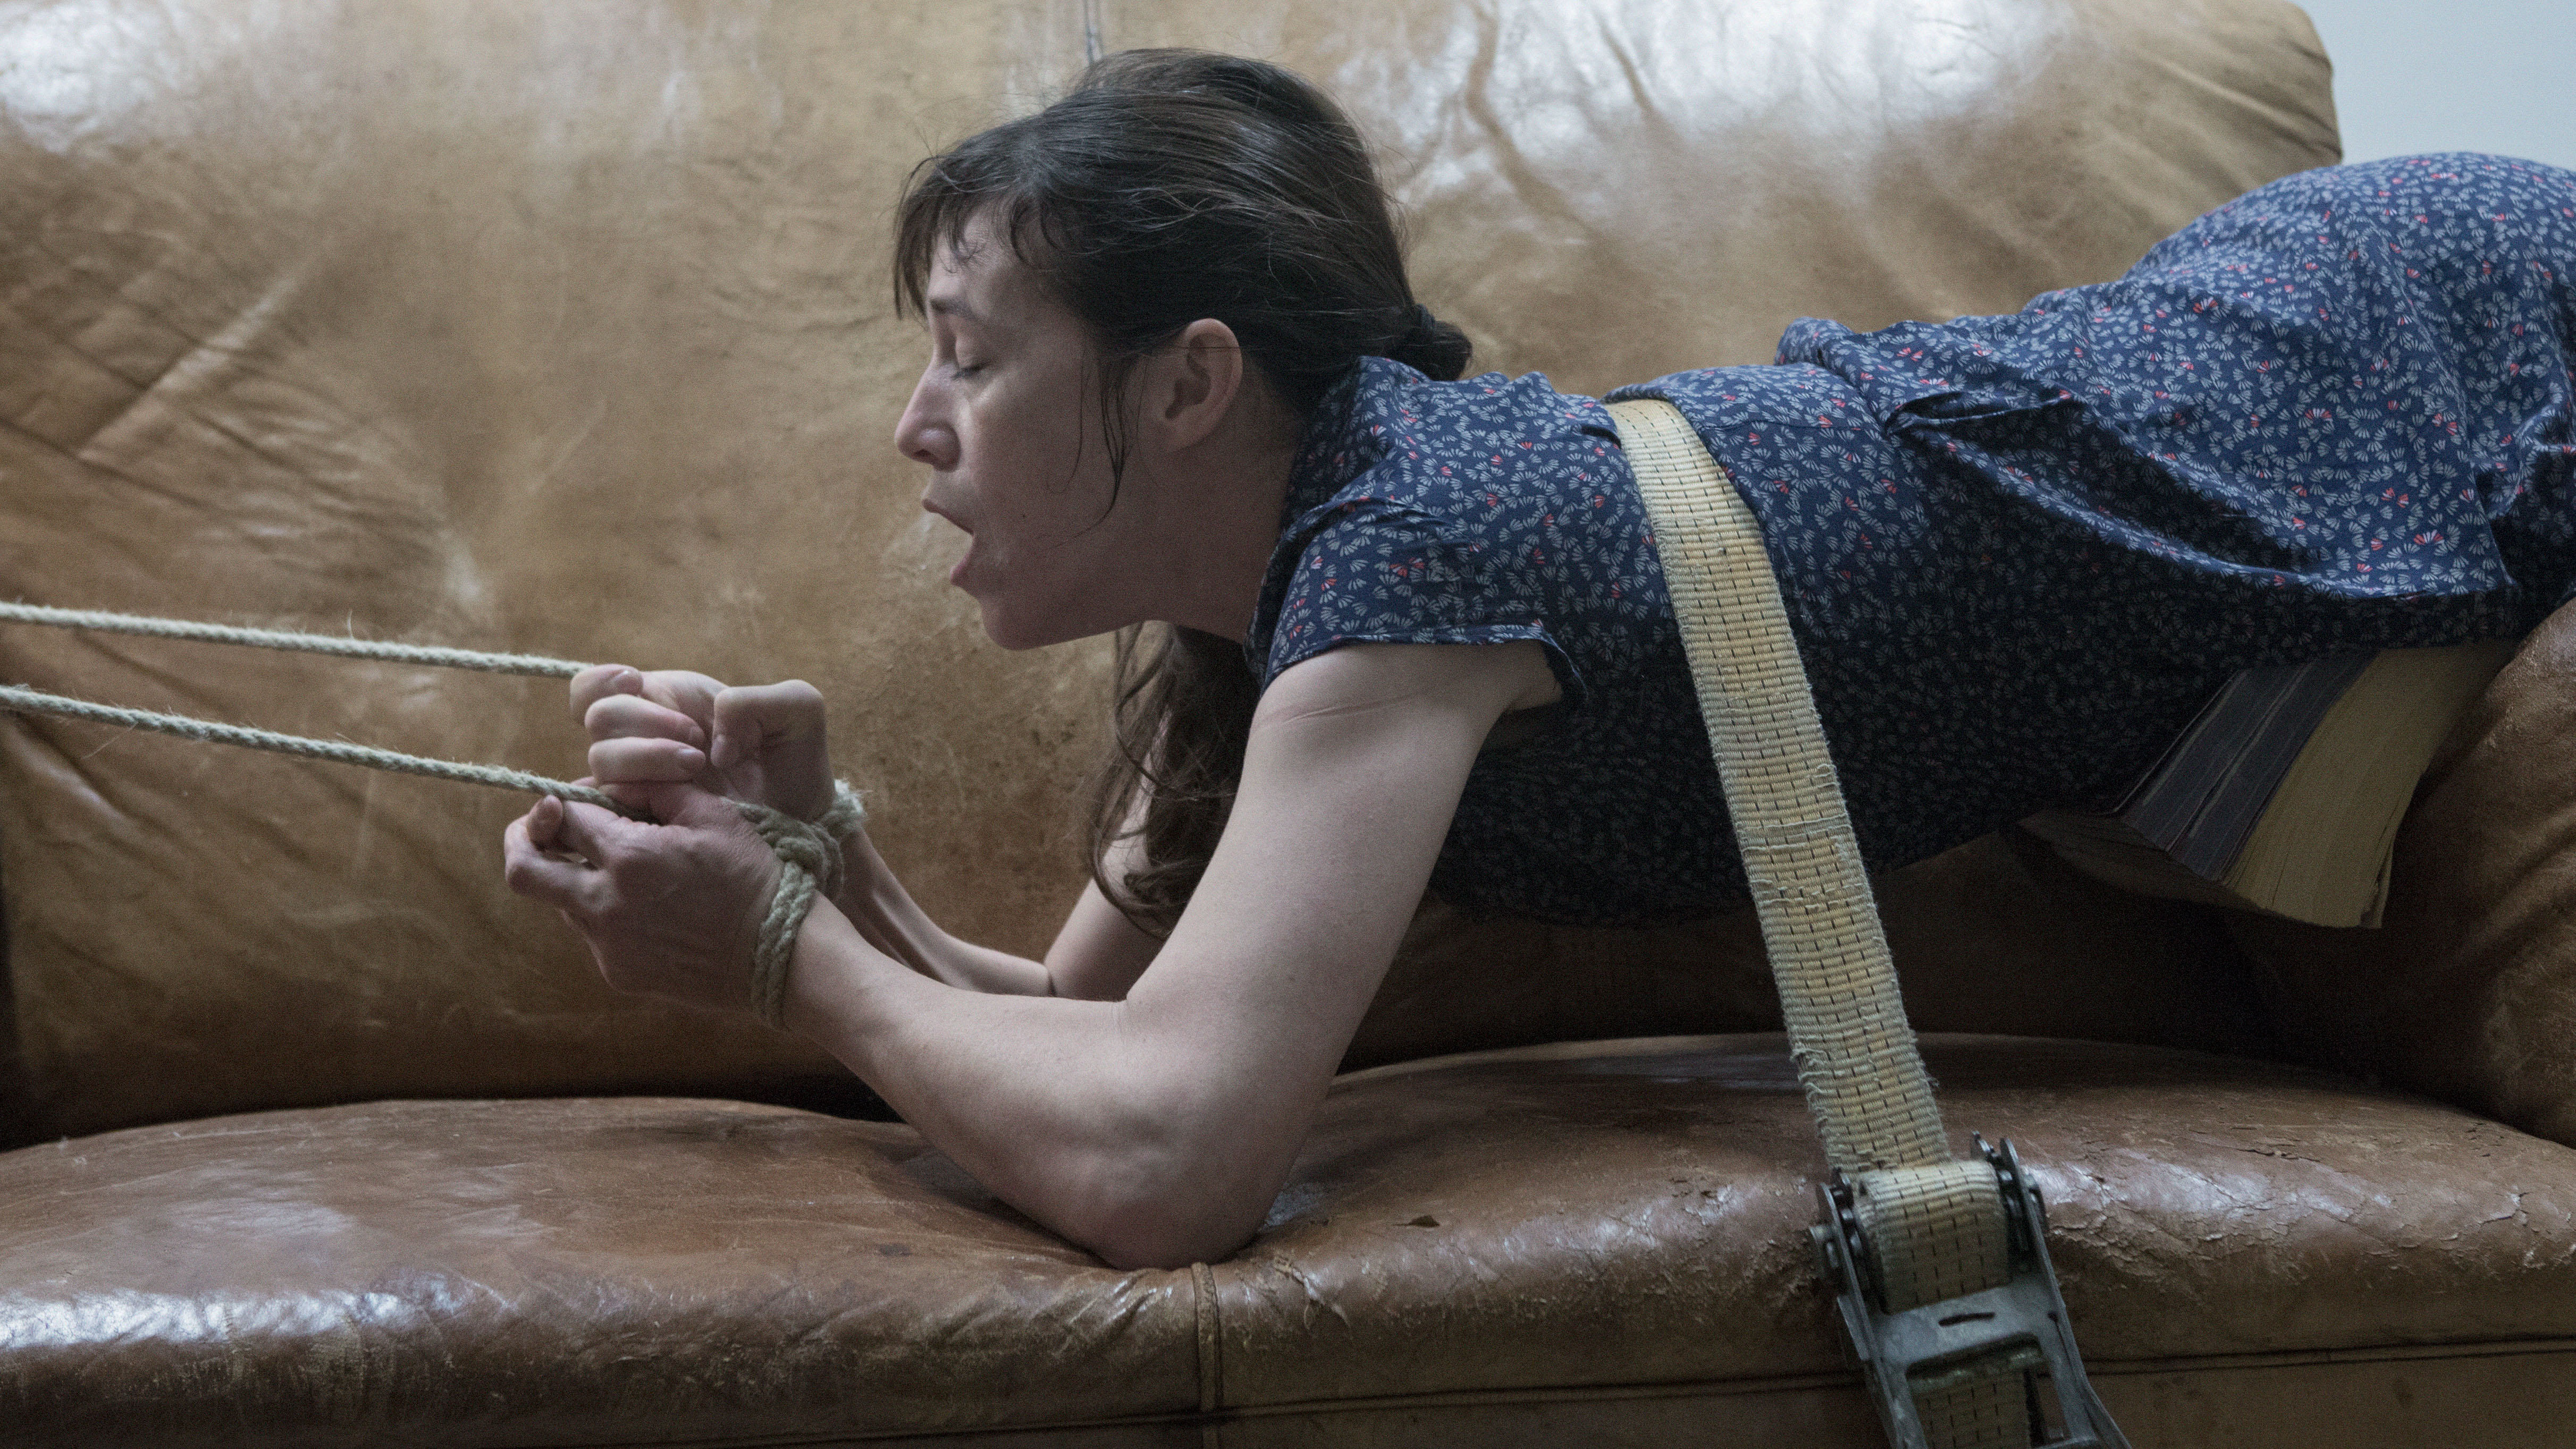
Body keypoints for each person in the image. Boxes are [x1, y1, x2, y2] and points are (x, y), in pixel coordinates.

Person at [502, 49, 2576, 1268]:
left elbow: (1165, 1162)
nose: (915, 427)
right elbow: (1074, 1034)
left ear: (1192, 384)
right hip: (2255, 378)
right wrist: (823, 863)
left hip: (2405, 323)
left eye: (969, 357)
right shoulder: (1276, 622)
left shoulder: (1413, 558)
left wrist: (783, 959)